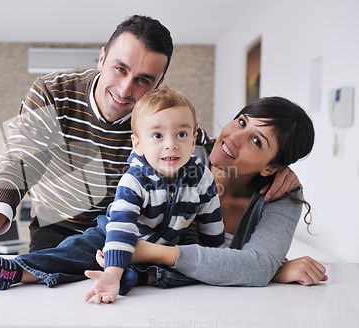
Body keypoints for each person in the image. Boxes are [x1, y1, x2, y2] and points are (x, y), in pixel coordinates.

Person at [0, 14, 298, 296]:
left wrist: (285, 175)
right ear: (102, 56)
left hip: (133, 237)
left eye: (144, 80)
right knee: (50, 302)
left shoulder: (156, 118)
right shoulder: (53, 92)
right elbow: (14, 172)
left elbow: (207, 151)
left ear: (159, 82)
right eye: (119, 68)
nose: (125, 90)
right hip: (59, 228)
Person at [0, 87, 225, 303]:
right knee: (74, 253)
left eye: (181, 134)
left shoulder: (201, 177)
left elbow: (211, 222)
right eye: (157, 135)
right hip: (113, 234)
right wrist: (111, 271)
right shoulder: (135, 179)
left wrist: (216, 260)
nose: (171, 143)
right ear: (139, 145)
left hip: (161, 246)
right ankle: (12, 270)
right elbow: (122, 228)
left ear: (193, 140)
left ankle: (135, 276)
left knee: (191, 263)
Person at [89, 96, 327, 295]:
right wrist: (271, 270)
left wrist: (148, 252)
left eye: (256, 140)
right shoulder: (181, 160)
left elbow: (258, 267)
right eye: (242, 122)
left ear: (271, 168)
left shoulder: (283, 197)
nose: (234, 138)